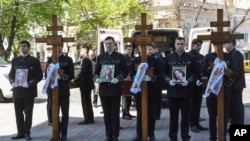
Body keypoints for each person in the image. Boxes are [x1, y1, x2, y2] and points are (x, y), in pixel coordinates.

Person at [163, 37, 198, 141]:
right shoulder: (168, 58)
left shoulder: (191, 58)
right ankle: (173, 137)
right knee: (173, 117)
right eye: (178, 44)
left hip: (186, 92)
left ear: (185, 45)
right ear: (174, 44)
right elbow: (163, 73)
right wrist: (169, 80)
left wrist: (189, 80)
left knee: (185, 117)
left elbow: (196, 73)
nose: (180, 46)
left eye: (182, 44)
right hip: (173, 92)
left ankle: (185, 136)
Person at [94, 36, 128, 141]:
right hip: (104, 89)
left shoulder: (120, 57)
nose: (108, 45)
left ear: (114, 44)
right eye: (106, 43)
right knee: (106, 115)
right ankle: (108, 135)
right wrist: (97, 78)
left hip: (115, 89)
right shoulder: (100, 57)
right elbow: (95, 72)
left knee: (115, 114)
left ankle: (115, 135)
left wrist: (118, 79)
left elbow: (125, 71)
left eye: (110, 43)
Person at [8, 40, 43, 140]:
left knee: (28, 113)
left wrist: (31, 82)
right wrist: (12, 81)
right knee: (18, 113)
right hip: (17, 91)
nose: (22, 48)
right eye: (21, 46)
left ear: (28, 48)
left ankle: (27, 132)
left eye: (24, 46)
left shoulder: (34, 60)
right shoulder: (15, 60)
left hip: (28, 91)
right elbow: (11, 74)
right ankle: (20, 132)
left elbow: (39, 75)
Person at [202, 44, 234, 141]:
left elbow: (233, 72)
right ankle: (212, 137)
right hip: (212, 91)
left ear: (223, 45)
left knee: (223, 116)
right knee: (212, 116)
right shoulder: (208, 56)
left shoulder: (228, 56)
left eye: (219, 45)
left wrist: (226, 70)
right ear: (213, 45)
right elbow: (203, 71)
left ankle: (222, 136)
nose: (218, 47)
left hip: (225, 90)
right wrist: (212, 67)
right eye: (216, 45)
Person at [131, 45, 161, 141]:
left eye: (146, 47)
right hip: (139, 90)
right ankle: (139, 134)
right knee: (140, 112)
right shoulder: (135, 60)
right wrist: (136, 79)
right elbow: (131, 73)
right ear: (139, 48)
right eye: (141, 47)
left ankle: (151, 134)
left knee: (151, 112)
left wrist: (152, 78)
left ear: (148, 48)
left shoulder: (153, 60)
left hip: (151, 89)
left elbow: (158, 73)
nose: (143, 49)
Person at [45, 44, 74, 141]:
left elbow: (71, 75)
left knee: (65, 113)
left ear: (62, 47)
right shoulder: (50, 59)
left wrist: (63, 75)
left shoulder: (68, 60)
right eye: (56, 46)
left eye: (60, 46)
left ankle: (64, 134)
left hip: (63, 89)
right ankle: (56, 133)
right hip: (52, 90)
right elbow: (46, 76)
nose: (58, 48)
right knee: (53, 113)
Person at [224, 39, 246, 125]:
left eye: (226, 43)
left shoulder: (236, 54)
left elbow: (236, 71)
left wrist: (230, 82)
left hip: (236, 85)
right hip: (232, 85)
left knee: (237, 107)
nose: (224, 45)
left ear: (231, 43)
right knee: (232, 107)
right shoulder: (230, 54)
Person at [188, 39, 208, 133]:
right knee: (192, 105)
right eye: (197, 45)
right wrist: (194, 78)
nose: (199, 47)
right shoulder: (188, 55)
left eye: (200, 45)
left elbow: (202, 68)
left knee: (198, 104)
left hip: (200, 83)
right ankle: (192, 124)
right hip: (192, 83)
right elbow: (188, 71)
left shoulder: (201, 56)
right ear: (193, 45)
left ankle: (197, 122)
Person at [72, 44, 94, 125]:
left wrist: (76, 79)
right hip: (87, 84)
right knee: (87, 101)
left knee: (85, 102)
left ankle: (87, 118)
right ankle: (90, 118)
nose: (80, 52)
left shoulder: (86, 59)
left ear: (85, 50)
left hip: (85, 84)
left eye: (81, 50)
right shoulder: (86, 59)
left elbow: (83, 72)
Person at [122, 43, 135, 120]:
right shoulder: (123, 58)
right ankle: (124, 113)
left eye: (131, 49)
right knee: (125, 97)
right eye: (128, 49)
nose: (130, 51)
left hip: (130, 80)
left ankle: (128, 112)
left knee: (129, 96)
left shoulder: (131, 58)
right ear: (125, 49)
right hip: (125, 80)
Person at [152, 43, 164, 120]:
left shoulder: (157, 57)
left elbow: (159, 70)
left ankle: (156, 114)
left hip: (156, 81)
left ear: (157, 49)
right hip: (158, 81)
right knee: (157, 98)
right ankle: (157, 114)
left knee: (156, 98)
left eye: (152, 49)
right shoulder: (158, 56)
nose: (150, 50)